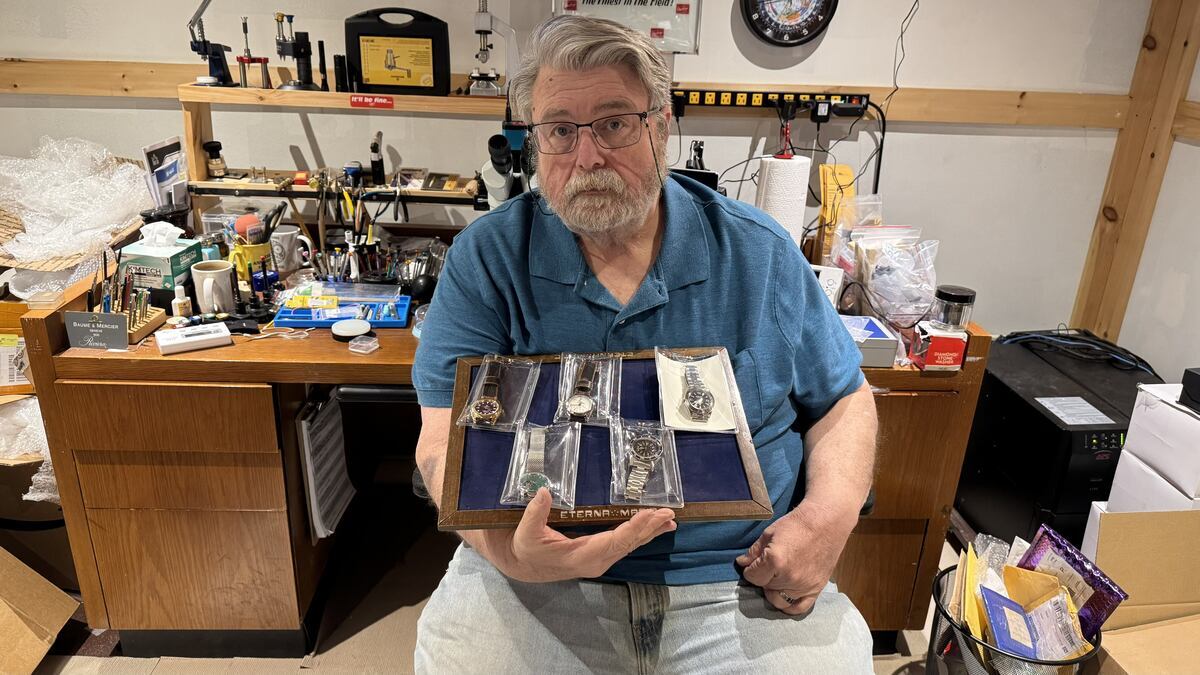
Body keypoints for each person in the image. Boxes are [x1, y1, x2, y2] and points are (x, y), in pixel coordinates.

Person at [411, 15, 878, 674]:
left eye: (613, 123)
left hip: (736, 575)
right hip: (535, 578)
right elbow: (440, 442)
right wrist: (508, 553)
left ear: (660, 126)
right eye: (560, 130)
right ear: (534, 140)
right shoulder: (487, 258)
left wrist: (827, 518)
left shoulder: (759, 253)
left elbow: (845, 401)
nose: (587, 156)